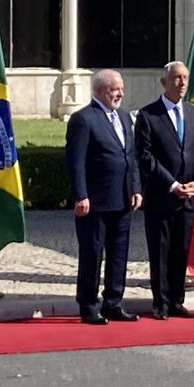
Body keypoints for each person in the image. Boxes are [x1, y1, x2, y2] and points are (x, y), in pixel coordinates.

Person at [65, 69, 143, 325]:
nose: (119, 93)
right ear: (99, 90)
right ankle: (88, 305)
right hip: (95, 201)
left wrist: (136, 188)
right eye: (114, 89)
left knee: (119, 253)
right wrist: (80, 195)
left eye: (120, 89)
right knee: (93, 254)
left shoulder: (123, 116)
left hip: (122, 198)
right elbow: (76, 162)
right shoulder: (83, 119)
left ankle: (113, 302)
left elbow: (129, 156)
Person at [134, 61, 194, 320]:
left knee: (181, 251)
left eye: (185, 78)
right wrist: (173, 184)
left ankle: (177, 300)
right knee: (161, 252)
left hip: (188, 198)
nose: (182, 83)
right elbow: (145, 156)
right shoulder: (148, 115)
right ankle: (161, 303)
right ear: (164, 82)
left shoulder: (193, 113)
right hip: (161, 197)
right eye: (177, 78)